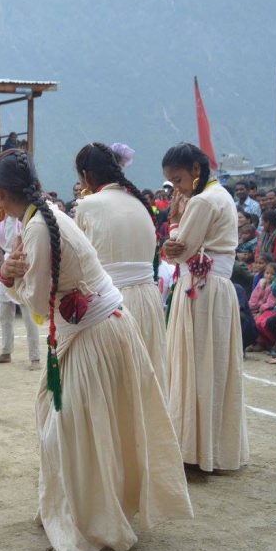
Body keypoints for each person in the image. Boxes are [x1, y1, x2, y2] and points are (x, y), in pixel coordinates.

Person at [0, 148, 191, 551]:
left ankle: (92, 519)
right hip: (106, 325)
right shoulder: (42, 215)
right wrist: (16, 274)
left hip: (95, 334)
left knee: (70, 430)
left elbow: (39, 301)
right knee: (74, 423)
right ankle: (90, 508)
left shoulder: (38, 227)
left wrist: (9, 278)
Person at [161, 143, 248, 472]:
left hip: (201, 289)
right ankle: (212, 448)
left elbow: (180, 250)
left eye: (179, 180)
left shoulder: (201, 202)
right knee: (215, 367)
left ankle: (194, 450)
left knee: (195, 366)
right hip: (217, 289)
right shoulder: (222, 195)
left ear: (196, 171)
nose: (178, 188)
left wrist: (172, 226)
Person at [73, 143, 167, 394]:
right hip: (148, 300)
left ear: (87, 176)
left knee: (114, 391)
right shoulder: (140, 203)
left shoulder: (86, 206)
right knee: (148, 385)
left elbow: (77, 262)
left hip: (111, 303)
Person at [0, 213, 40, 370]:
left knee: (29, 312)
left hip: (26, 263)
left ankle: (35, 357)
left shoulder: (30, 215)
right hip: (8, 263)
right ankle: (6, 351)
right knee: (5, 311)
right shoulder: (5, 217)